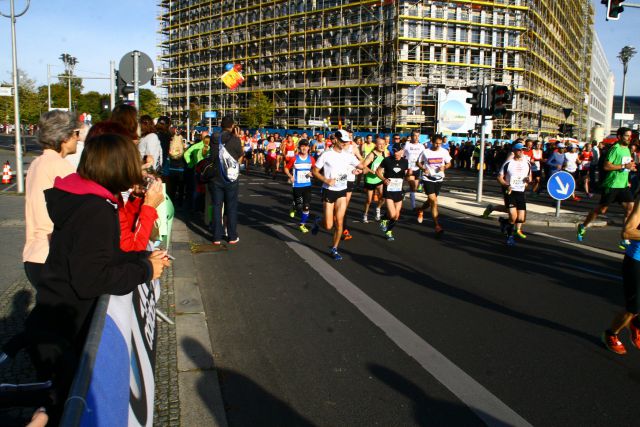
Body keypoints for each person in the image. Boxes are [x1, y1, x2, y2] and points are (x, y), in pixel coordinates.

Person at [13, 133, 169, 423]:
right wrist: (145, 270)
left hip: (58, 319)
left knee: (55, 405)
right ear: (116, 166)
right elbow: (93, 278)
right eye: (131, 163)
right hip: (65, 328)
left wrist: (142, 260)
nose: (137, 170)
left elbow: (100, 256)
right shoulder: (96, 209)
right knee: (64, 410)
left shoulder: (85, 199)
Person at [23, 110, 79, 289]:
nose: (78, 138)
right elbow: (78, 213)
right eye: (75, 133)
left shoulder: (37, 163)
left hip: (34, 253)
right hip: (53, 254)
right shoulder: (61, 168)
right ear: (64, 137)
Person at [577, 128, 636, 249]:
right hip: (612, 185)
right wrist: (625, 166)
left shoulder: (627, 149)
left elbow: (625, 166)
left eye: (630, 136)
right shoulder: (615, 149)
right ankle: (583, 226)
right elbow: (607, 166)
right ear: (619, 136)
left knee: (630, 208)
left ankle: (625, 238)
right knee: (602, 210)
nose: (629, 138)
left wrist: (630, 170)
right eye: (626, 136)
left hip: (623, 185)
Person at [311, 129, 364, 261]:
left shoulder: (348, 155)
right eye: (343, 141)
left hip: (342, 191)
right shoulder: (326, 154)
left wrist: (367, 168)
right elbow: (315, 171)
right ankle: (318, 221)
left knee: (339, 222)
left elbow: (361, 165)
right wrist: (326, 180)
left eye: (347, 141)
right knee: (328, 225)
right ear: (336, 140)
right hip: (328, 190)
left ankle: (334, 248)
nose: (346, 144)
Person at [602, 200, 640, 354]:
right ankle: (611, 334)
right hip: (637, 261)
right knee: (632, 308)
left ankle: (636, 324)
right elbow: (627, 232)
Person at [208, 116, 244, 245]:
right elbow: (240, 155)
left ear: (221, 125)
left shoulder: (214, 138)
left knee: (217, 206)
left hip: (216, 176)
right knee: (231, 206)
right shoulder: (235, 140)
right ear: (232, 125)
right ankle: (232, 236)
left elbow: (211, 156)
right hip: (230, 177)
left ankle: (216, 236)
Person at [497, 142, 532, 245]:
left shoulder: (527, 163)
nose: (522, 152)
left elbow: (529, 177)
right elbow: (499, 177)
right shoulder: (508, 163)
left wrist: (527, 181)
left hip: (521, 192)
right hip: (510, 192)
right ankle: (510, 237)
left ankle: (504, 222)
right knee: (513, 217)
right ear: (515, 151)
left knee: (520, 219)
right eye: (520, 150)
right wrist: (506, 185)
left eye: (523, 150)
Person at [416, 135, 452, 235]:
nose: (438, 145)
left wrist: (444, 167)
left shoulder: (444, 151)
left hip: (439, 179)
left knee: (430, 200)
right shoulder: (426, 152)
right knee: (434, 201)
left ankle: (421, 210)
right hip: (427, 178)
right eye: (436, 143)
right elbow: (418, 162)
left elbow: (449, 163)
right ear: (432, 142)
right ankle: (437, 225)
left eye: (440, 143)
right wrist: (423, 169)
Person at [377, 143, 409, 241]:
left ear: (402, 151)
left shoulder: (405, 162)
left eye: (398, 151)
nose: (396, 153)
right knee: (392, 214)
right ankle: (384, 218)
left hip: (398, 190)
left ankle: (389, 231)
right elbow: (377, 171)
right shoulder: (387, 160)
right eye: (394, 151)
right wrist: (383, 179)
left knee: (396, 215)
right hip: (389, 190)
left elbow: (405, 174)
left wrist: (408, 176)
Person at [284, 139, 315, 233]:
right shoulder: (294, 158)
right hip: (297, 185)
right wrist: (290, 176)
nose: (304, 148)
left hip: (307, 185)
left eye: (306, 146)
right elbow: (286, 168)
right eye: (302, 146)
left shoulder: (311, 159)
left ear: (309, 148)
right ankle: (293, 207)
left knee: (306, 206)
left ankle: (302, 224)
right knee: (299, 206)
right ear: (299, 148)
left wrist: (312, 174)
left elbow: (315, 170)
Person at [362, 137, 387, 223]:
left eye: (383, 144)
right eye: (380, 144)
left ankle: (378, 209)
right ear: (376, 145)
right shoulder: (372, 155)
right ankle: (365, 214)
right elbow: (363, 166)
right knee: (369, 200)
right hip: (370, 180)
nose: (382, 146)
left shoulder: (385, 153)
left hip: (379, 178)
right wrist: (371, 171)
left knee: (383, 197)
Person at [403, 130, 426, 212]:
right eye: (415, 136)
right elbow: (402, 156)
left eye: (418, 136)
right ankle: (413, 206)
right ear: (411, 136)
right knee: (412, 186)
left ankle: (404, 191)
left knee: (414, 188)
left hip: (417, 168)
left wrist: (423, 166)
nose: (416, 137)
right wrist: (406, 168)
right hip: (409, 169)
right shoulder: (407, 145)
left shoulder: (421, 146)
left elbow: (424, 157)